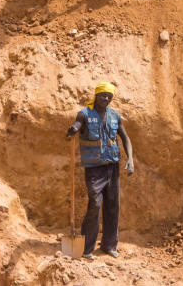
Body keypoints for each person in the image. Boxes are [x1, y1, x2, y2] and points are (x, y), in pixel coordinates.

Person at [65, 82, 134, 259]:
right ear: (96, 95)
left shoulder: (115, 115)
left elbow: (125, 138)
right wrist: (73, 129)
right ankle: (87, 248)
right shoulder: (85, 114)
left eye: (109, 96)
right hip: (94, 169)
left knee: (112, 206)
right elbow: (77, 125)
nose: (106, 99)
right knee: (95, 204)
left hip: (112, 167)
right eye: (103, 95)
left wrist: (130, 159)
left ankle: (109, 245)